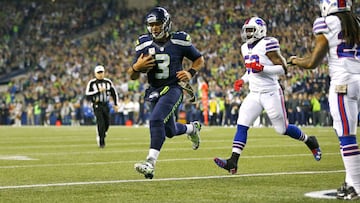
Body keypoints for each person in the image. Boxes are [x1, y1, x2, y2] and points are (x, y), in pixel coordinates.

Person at [214, 16, 322, 174]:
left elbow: (283, 68)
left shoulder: (268, 43)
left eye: (251, 30)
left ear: (260, 30)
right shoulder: (245, 47)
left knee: (282, 129)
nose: (247, 34)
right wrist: (242, 80)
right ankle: (233, 162)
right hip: (254, 93)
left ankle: (309, 140)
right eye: (246, 31)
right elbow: (250, 69)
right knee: (242, 123)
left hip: (271, 92)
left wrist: (262, 68)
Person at [287, 0, 360, 200]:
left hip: (341, 84)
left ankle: (356, 187)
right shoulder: (357, 22)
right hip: (357, 80)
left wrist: (295, 60)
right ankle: (350, 183)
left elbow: (312, 62)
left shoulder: (326, 22)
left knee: (346, 136)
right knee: (348, 135)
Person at [128, 6, 204, 179]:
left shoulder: (179, 40)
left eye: (158, 23)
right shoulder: (144, 43)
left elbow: (199, 59)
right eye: (151, 24)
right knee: (169, 131)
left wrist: (190, 72)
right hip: (154, 90)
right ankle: (192, 128)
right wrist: (136, 68)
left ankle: (150, 162)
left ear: (166, 23)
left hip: (173, 88)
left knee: (155, 119)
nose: (154, 27)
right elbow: (132, 75)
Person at [85, 65, 119, 148]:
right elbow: (87, 95)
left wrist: (115, 104)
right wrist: (98, 91)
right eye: (98, 73)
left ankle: (102, 133)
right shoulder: (92, 83)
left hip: (106, 104)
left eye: (101, 72)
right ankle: (101, 142)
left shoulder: (108, 82)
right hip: (97, 105)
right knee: (100, 122)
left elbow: (114, 93)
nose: (100, 74)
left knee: (107, 122)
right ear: (95, 74)